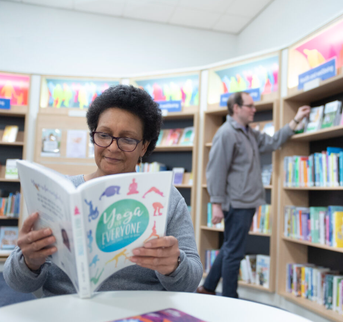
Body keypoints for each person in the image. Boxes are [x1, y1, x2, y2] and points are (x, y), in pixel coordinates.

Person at [4, 85, 203, 297]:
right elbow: (17, 283)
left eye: (127, 139)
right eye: (104, 135)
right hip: (66, 311)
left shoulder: (166, 198)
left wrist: (174, 264)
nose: (112, 147)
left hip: (139, 313)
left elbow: (190, 281)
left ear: (144, 146)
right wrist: (29, 261)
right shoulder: (60, 193)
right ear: (93, 136)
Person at [197, 91, 310, 298]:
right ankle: (230, 300)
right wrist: (216, 203)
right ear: (236, 108)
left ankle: (208, 287)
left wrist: (295, 121)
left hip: (246, 201)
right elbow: (216, 170)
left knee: (230, 246)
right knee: (234, 253)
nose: (254, 109)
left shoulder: (248, 132)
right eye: (250, 106)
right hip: (237, 203)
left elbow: (273, 142)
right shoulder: (226, 133)